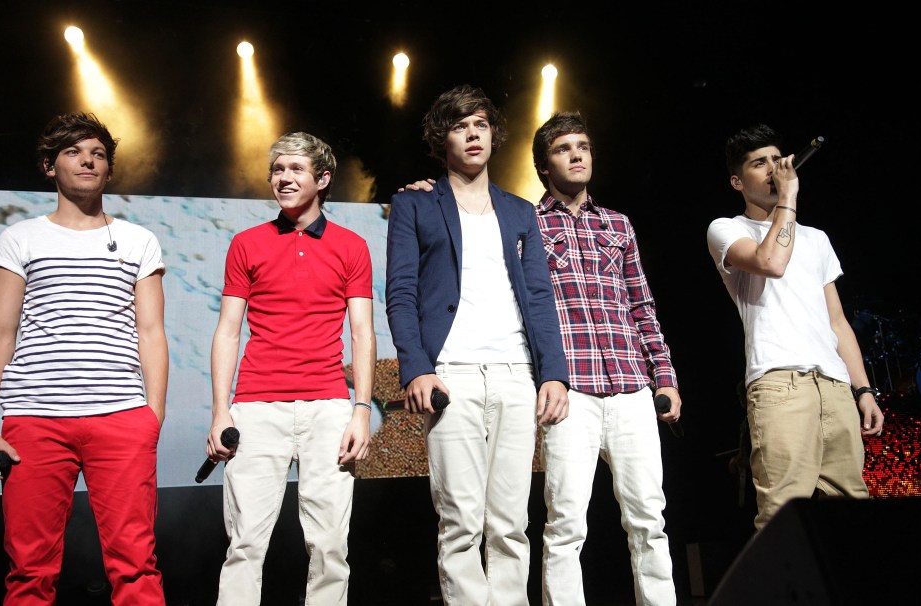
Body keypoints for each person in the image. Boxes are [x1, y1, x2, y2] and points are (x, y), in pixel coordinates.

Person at [0, 112, 169, 604]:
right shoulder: (21, 238)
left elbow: (151, 332)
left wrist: (152, 418)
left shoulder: (140, 239)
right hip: (35, 419)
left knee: (136, 565)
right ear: (48, 165)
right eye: (74, 151)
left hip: (121, 418)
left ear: (109, 169)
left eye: (98, 153)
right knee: (29, 569)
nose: (88, 160)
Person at [385, 84, 570, 606]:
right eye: (460, 125)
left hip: (515, 374)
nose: (472, 133)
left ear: (494, 136)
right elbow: (399, 294)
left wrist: (552, 372)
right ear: (441, 138)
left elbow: (538, 295)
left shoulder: (519, 212)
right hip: (452, 373)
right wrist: (416, 369)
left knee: (511, 523)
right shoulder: (414, 203)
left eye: (481, 124)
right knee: (460, 521)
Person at [207, 131, 375, 606]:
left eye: (296, 169)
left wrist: (360, 411)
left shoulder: (351, 245)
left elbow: (362, 333)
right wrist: (221, 412)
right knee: (244, 545)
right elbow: (227, 331)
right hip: (257, 408)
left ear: (322, 179)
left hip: (328, 408)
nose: (284, 177)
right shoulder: (246, 243)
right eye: (278, 169)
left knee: (329, 546)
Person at [706, 123, 884, 530]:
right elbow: (772, 263)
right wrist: (787, 195)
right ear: (737, 181)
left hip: (835, 386)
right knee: (782, 520)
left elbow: (836, 321)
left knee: (854, 515)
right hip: (779, 385)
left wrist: (864, 389)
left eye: (776, 159)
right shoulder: (727, 229)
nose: (773, 168)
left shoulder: (817, 239)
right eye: (758, 163)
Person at [532, 112, 679, 605]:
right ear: (543, 166)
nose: (577, 154)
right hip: (570, 391)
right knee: (566, 523)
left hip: (632, 387)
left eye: (583, 146)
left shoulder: (618, 223)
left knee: (649, 520)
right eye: (563, 148)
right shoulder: (527, 225)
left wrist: (665, 376)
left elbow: (642, 304)